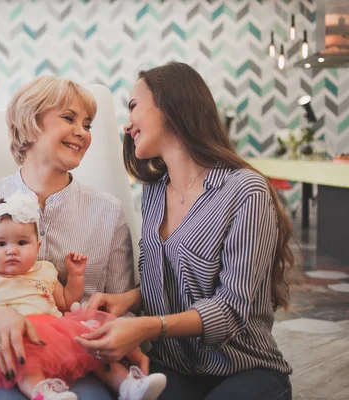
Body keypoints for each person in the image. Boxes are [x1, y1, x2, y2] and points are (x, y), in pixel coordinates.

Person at [74, 62, 293, 400]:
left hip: (245, 368)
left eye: (133, 106)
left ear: (171, 105)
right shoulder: (154, 192)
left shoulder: (246, 191)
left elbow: (231, 307)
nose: (127, 123)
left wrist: (147, 326)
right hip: (172, 367)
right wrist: (127, 300)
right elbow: (168, 280)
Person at [0, 75, 138, 399]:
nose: (82, 133)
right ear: (30, 123)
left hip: (79, 361)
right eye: (69, 118)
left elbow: (121, 307)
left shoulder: (108, 211)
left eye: (87, 124)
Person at [0, 192, 166, 400]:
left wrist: (76, 276)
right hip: (12, 339)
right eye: (1, 244)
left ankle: (128, 385)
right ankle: (43, 393)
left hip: (56, 333)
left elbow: (67, 302)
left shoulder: (44, 272)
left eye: (22, 243)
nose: (11, 250)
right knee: (25, 361)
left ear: (37, 247)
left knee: (92, 351)